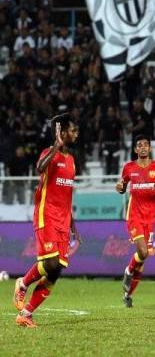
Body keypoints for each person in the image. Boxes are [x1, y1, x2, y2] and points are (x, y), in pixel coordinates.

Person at [13, 113, 81, 327]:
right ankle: (22, 283)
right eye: (72, 130)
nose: (76, 134)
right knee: (50, 262)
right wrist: (55, 147)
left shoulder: (71, 161)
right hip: (46, 215)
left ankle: (26, 313)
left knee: (57, 269)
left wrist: (73, 225)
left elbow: (67, 196)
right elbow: (40, 168)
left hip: (63, 220)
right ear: (62, 133)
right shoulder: (48, 153)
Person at [116, 135, 155, 308]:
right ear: (135, 150)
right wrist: (119, 188)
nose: (142, 148)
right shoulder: (128, 168)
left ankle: (128, 294)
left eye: (145, 145)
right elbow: (122, 187)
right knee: (143, 251)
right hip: (134, 215)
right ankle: (127, 272)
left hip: (150, 217)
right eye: (139, 145)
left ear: (150, 148)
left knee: (142, 258)